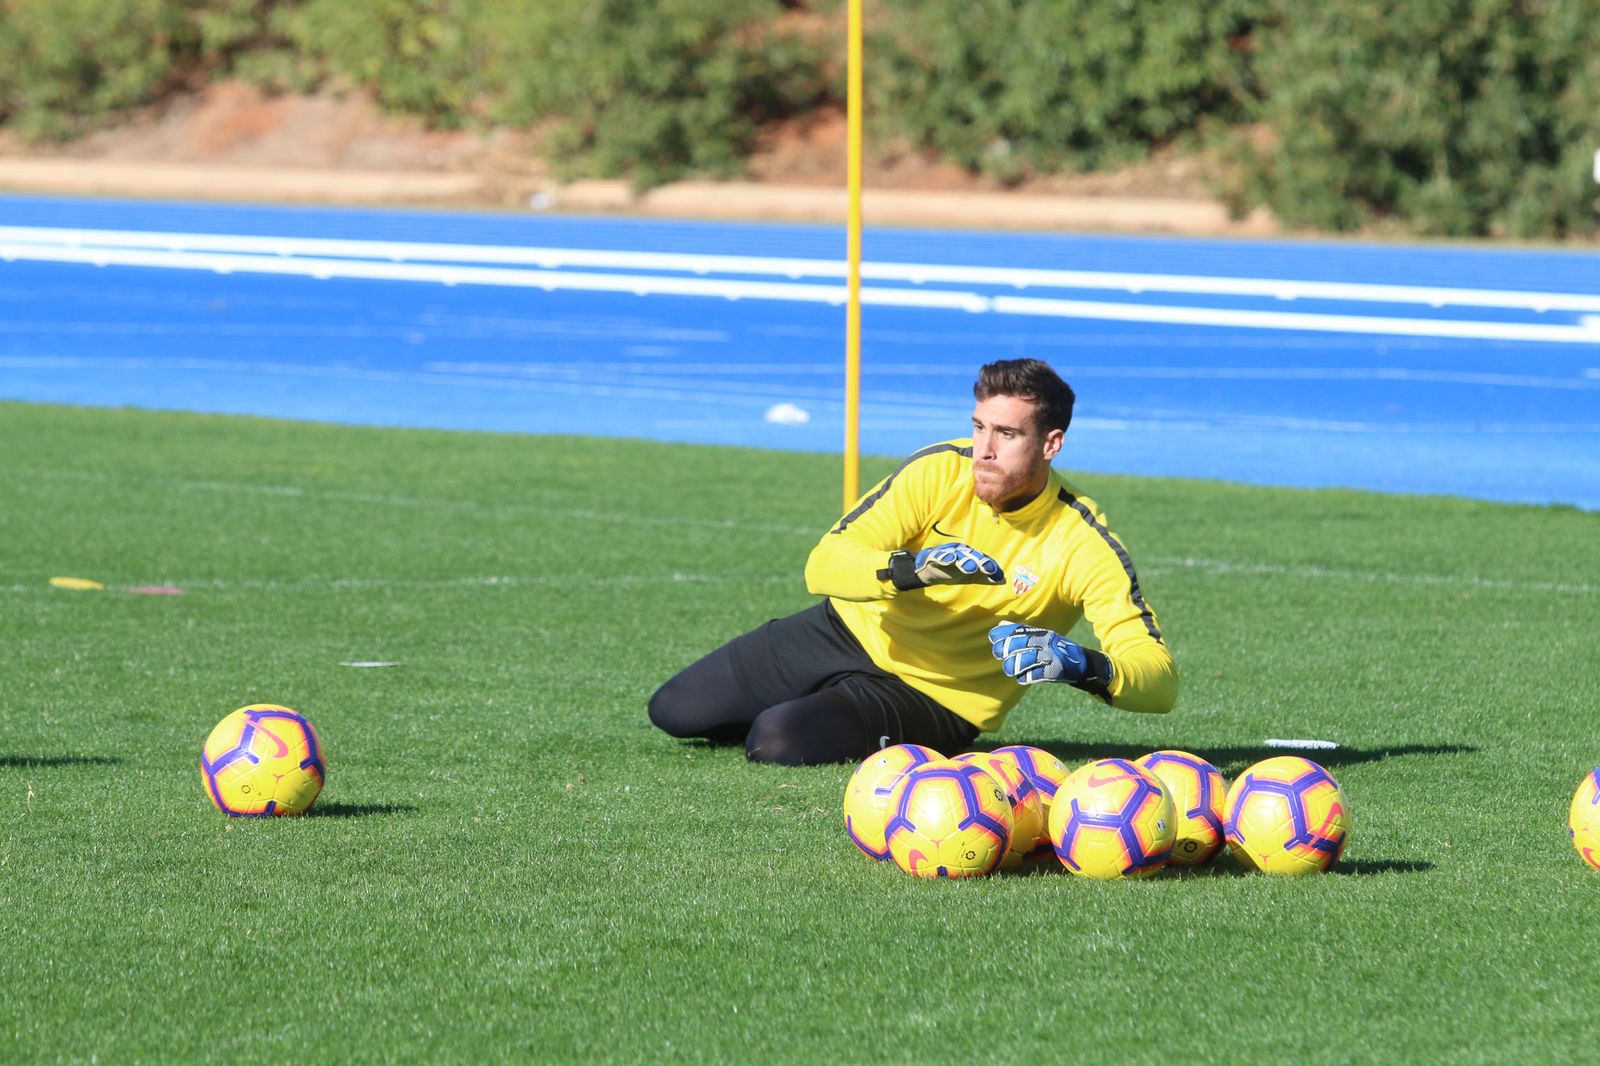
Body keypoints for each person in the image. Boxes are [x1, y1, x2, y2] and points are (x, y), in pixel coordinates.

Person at [647, 358, 1177, 765]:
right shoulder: (938, 470)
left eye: (1008, 434)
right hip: (847, 630)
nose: (985, 449)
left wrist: (1081, 665)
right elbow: (824, 564)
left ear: (1050, 444)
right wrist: (913, 570)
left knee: (774, 739)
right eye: (979, 427)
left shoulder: (1083, 541)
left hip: (937, 697)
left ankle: (831, 711)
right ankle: (828, 699)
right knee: (673, 710)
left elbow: (1159, 682)